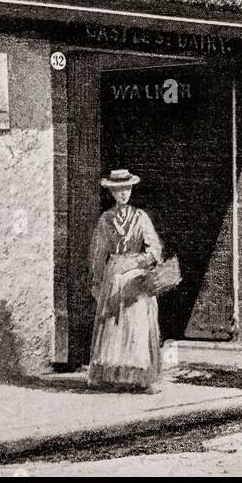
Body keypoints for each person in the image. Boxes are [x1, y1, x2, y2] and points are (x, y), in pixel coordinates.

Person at [87, 168, 164, 392]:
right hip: (113, 276)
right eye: (119, 190)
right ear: (112, 193)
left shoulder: (140, 217)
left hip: (134, 276)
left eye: (127, 189)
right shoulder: (106, 219)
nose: (123, 194)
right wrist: (97, 278)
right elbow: (99, 252)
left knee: (135, 323)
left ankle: (138, 375)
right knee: (112, 322)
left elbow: (155, 249)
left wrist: (138, 262)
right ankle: (112, 374)